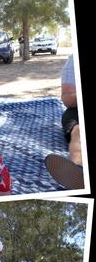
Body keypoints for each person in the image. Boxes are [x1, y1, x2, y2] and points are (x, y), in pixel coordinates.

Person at [45, 54, 84, 189]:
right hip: (76, 109)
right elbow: (68, 99)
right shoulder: (74, 60)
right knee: (77, 131)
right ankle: (78, 169)